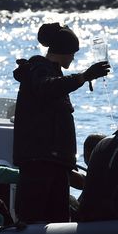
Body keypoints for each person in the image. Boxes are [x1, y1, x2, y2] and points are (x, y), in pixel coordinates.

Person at [12, 22, 111, 223]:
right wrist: (83, 77)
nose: (73, 57)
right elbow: (47, 87)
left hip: (55, 162)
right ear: (63, 51)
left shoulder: (51, 72)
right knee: (36, 218)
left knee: (58, 219)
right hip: (40, 163)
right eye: (72, 52)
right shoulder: (38, 69)